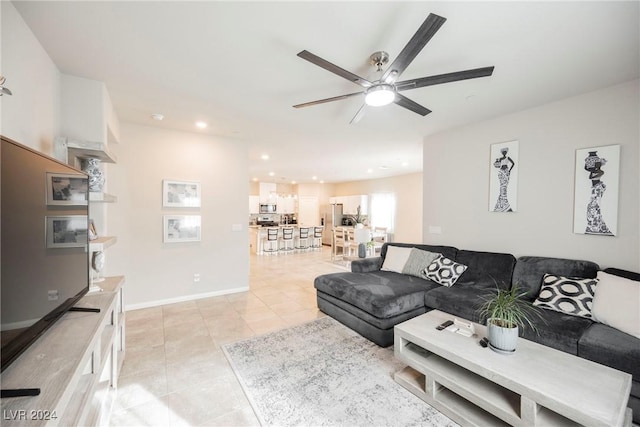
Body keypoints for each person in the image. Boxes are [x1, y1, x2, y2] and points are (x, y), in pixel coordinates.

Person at [493, 147, 515, 212]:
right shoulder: (500, 159)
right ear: (502, 153)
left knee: (504, 186)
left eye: (505, 152)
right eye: (503, 152)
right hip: (501, 172)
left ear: (506, 152)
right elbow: (496, 165)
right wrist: (496, 162)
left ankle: (503, 202)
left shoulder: (508, 158)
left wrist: (510, 170)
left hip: (506, 172)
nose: (504, 153)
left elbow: (513, 163)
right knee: (502, 186)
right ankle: (502, 203)